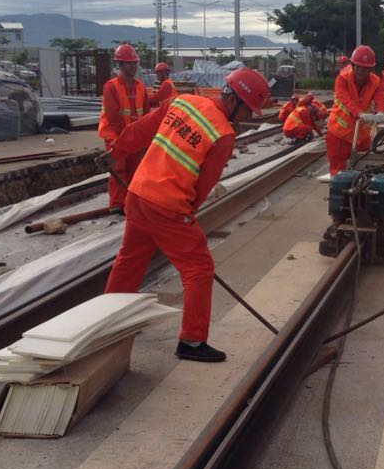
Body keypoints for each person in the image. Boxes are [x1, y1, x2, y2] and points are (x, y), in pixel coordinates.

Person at [105, 67, 272, 362]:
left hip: (138, 194)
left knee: (129, 261)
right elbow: (203, 186)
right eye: (248, 109)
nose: (248, 117)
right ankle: (192, 342)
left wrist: (116, 151)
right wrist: (186, 217)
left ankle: (107, 322)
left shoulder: (183, 102)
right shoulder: (223, 134)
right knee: (199, 268)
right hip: (167, 205)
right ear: (233, 100)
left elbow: (141, 130)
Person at [97, 44, 149, 212]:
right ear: (120, 64)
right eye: (129, 63)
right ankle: (118, 204)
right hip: (115, 135)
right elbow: (113, 117)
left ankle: (131, 203)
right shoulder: (111, 87)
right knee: (119, 168)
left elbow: (146, 115)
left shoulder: (140, 87)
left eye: (135, 63)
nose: (133, 66)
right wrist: (125, 139)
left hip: (133, 137)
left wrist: (143, 137)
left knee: (135, 169)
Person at [325, 44, 384, 175]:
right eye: (358, 66)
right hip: (339, 133)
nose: (360, 70)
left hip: (361, 134)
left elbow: (380, 97)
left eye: (365, 68)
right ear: (353, 64)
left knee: (364, 168)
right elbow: (346, 100)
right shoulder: (342, 79)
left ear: (370, 69)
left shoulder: (376, 82)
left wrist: (381, 111)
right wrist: (360, 113)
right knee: (338, 172)